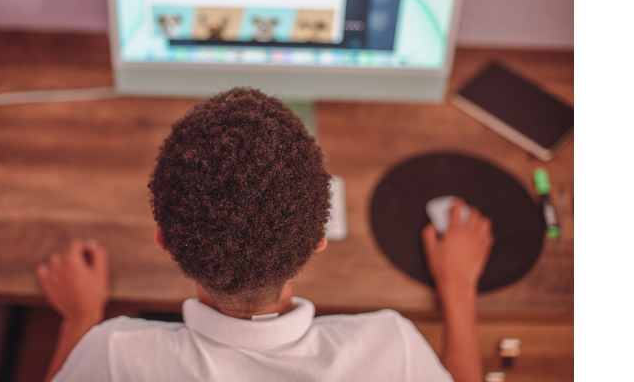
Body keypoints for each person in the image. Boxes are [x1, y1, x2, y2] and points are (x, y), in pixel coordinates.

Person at [37, 88, 494, 382]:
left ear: (164, 240)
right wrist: (458, 290)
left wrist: (80, 318)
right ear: (319, 237)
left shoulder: (114, 356)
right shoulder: (392, 347)